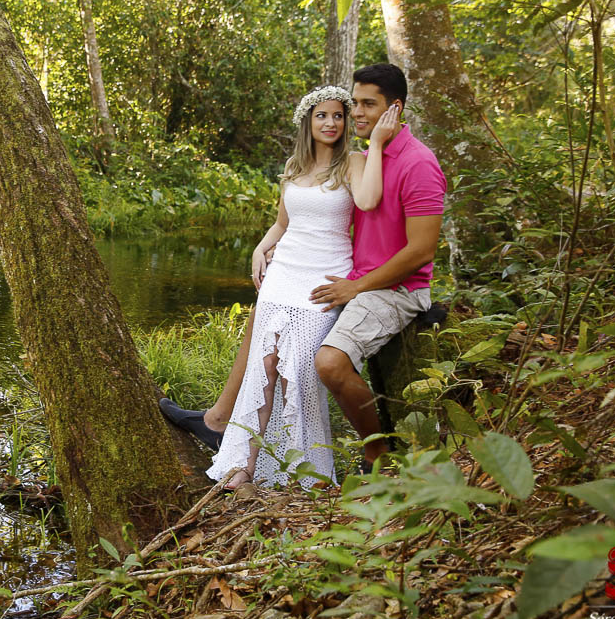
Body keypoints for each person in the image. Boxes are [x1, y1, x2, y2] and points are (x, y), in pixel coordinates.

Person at [160, 63, 447, 477]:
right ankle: (221, 425)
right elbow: (297, 219)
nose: (356, 113)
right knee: (263, 318)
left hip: (390, 286)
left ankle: (374, 456)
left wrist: (355, 286)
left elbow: (421, 250)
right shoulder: (365, 156)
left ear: (394, 109)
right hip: (350, 276)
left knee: (325, 362)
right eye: (355, 104)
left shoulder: (413, 162)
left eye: (366, 105)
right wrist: (266, 248)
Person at [200, 84, 399, 489]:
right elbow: (283, 223)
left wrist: (377, 143)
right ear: (308, 121)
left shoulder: (353, 162)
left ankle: (304, 476)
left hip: (323, 279)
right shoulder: (294, 166)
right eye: (322, 115)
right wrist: (260, 248)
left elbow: (367, 201)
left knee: (300, 374)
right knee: (265, 367)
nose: (331, 123)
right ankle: (243, 466)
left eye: (338, 115)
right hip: (284, 274)